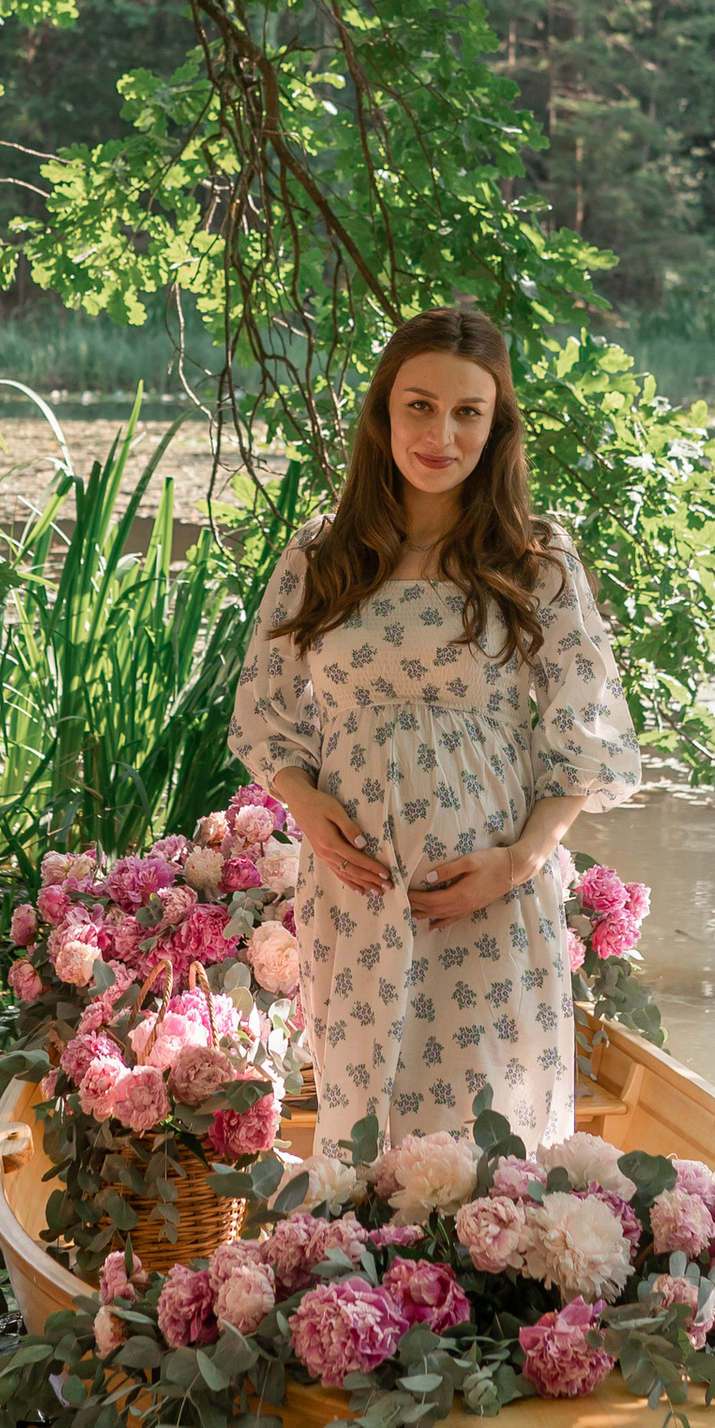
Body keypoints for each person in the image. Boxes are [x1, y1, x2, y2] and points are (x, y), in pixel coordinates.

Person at [229, 306, 639, 1155]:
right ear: (383, 412)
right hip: (355, 900)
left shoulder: (535, 558)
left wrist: (521, 862)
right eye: (419, 405)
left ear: (496, 426)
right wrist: (304, 807)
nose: (440, 434)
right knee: (367, 1140)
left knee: (489, 1154)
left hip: (488, 893)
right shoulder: (322, 554)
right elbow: (264, 716)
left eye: (467, 412)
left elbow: (586, 733)